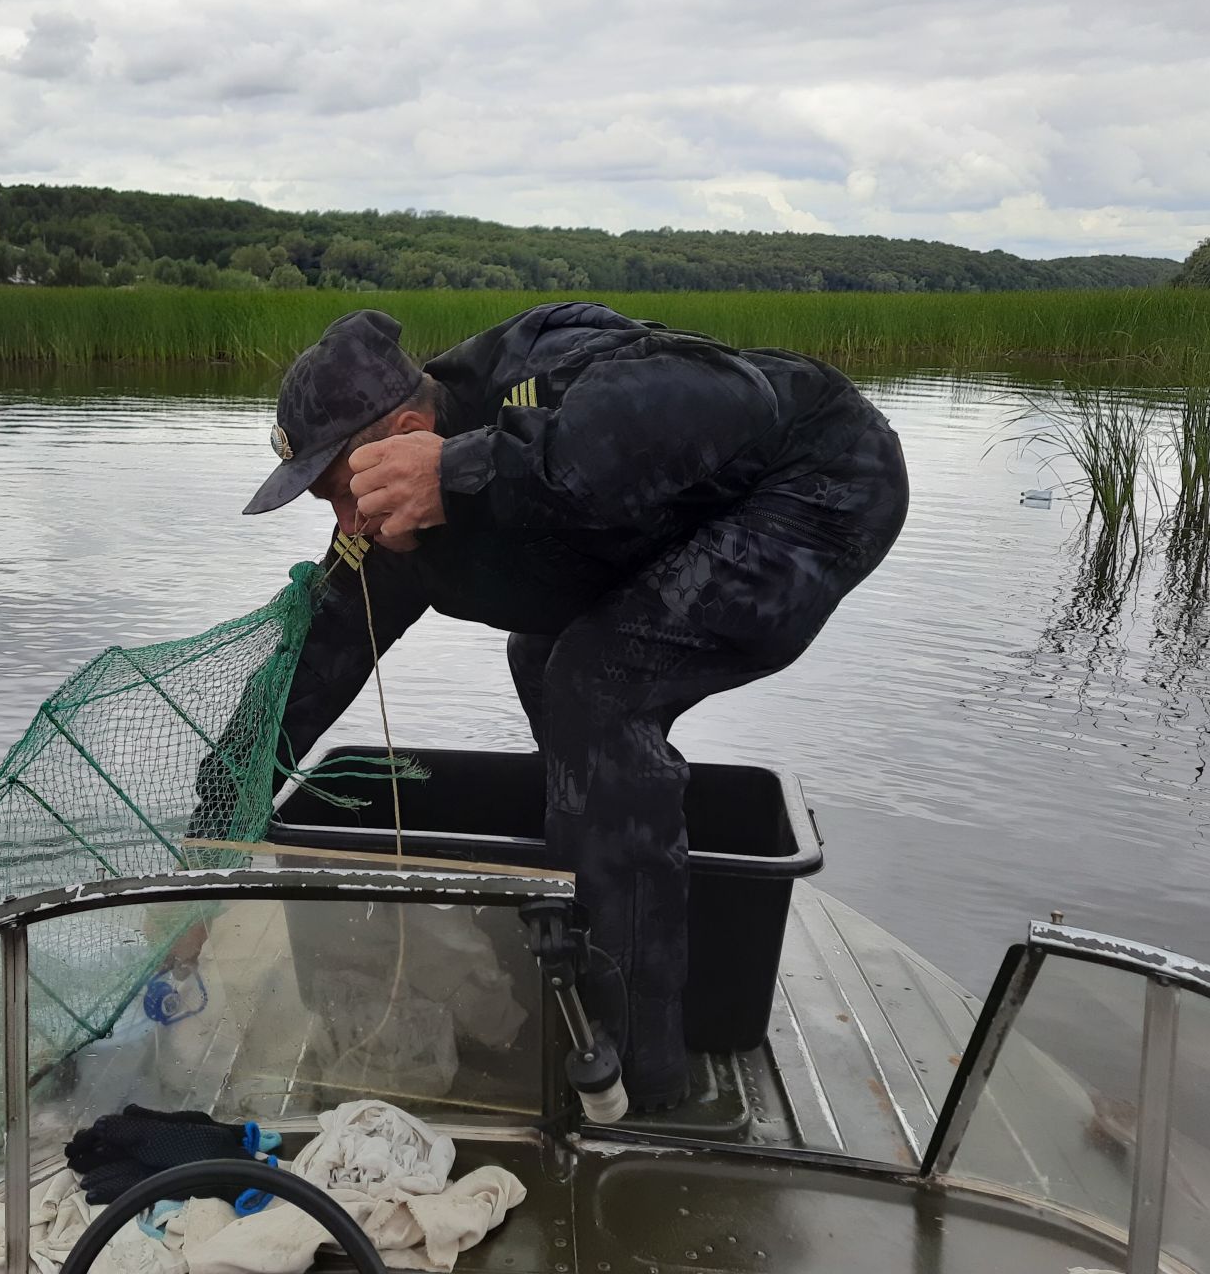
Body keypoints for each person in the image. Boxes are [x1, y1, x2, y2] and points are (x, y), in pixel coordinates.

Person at [241, 302, 909, 1110]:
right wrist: (216, 806)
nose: (349, 522)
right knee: (545, 654)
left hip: (820, 483)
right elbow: (320, 653)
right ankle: (600, 898)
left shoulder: (540, 369)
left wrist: (461, 469)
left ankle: (641, 1076)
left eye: (344, 493)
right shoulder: (386, 522)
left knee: (596, 685)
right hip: (680, 516)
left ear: (409, 431)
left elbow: (737, 394)